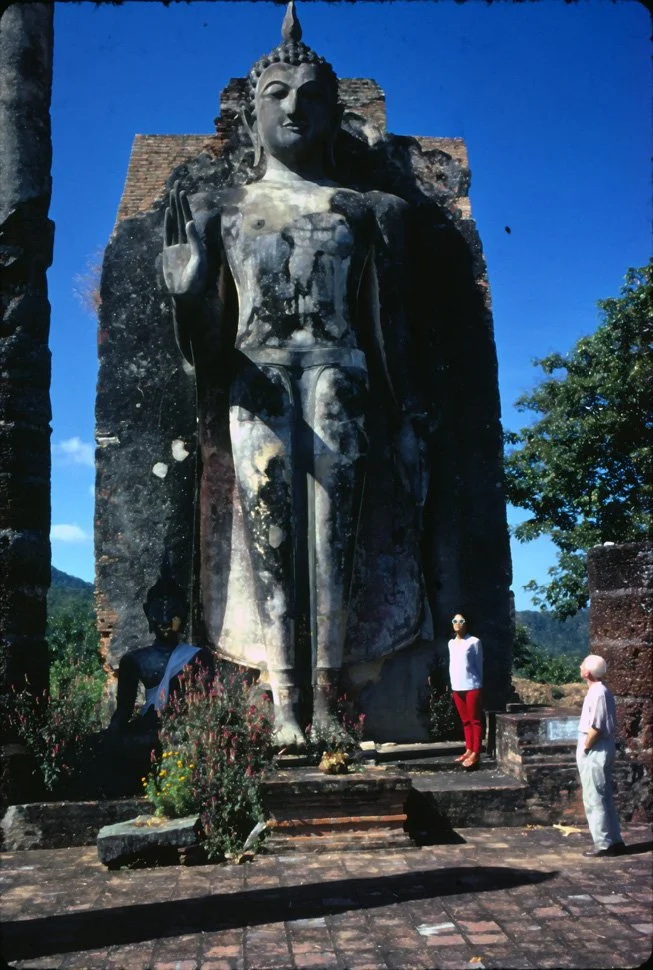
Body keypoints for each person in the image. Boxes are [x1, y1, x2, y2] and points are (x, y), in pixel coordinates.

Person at [162, 1, 427, 747]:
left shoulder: (368, 208)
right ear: (250, 113)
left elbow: (388, 330)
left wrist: (407, 417)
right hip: (259, 379)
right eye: (276, 95)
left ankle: (326, 698)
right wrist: (188, 289)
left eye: (310, 97)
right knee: (269, 541)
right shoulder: (218, 208)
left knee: (330, 543)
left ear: (334, 112)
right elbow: (208, 349)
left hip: (339, 376)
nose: (294, 107)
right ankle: (282, 704)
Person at [107, 560, 214, 736]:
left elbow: (206, 707)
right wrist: (112, 734)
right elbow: (123, 712)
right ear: (147, 613)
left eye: (173, 613)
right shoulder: (133, 661)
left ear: (185, 613)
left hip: (185, 731)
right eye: (157, 612)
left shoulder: (198, 657)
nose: (165, 620)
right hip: (147, 730)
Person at [577, 654, 625, 857]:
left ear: (587, 673)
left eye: (582, 666)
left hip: (595, 747)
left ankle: (604, 843)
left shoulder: (597, 693)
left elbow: (596, 726)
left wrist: (587, 746)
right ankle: (614, 840)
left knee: (594, 797)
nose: (580, 668)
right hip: (601, 745)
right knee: (603, 796)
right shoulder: (602, 691)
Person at [448, 613, 483, 769]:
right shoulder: (451, 643)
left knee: (475, 720)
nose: (458, 623)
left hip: (471, 686)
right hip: (457, 686)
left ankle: (476, 752)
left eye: (461, 621)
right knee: (465, 721)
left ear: (467, 623)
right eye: (455, 621)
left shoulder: (474, 642)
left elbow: (479, 664)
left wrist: (479, 684)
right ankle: (468, 749)